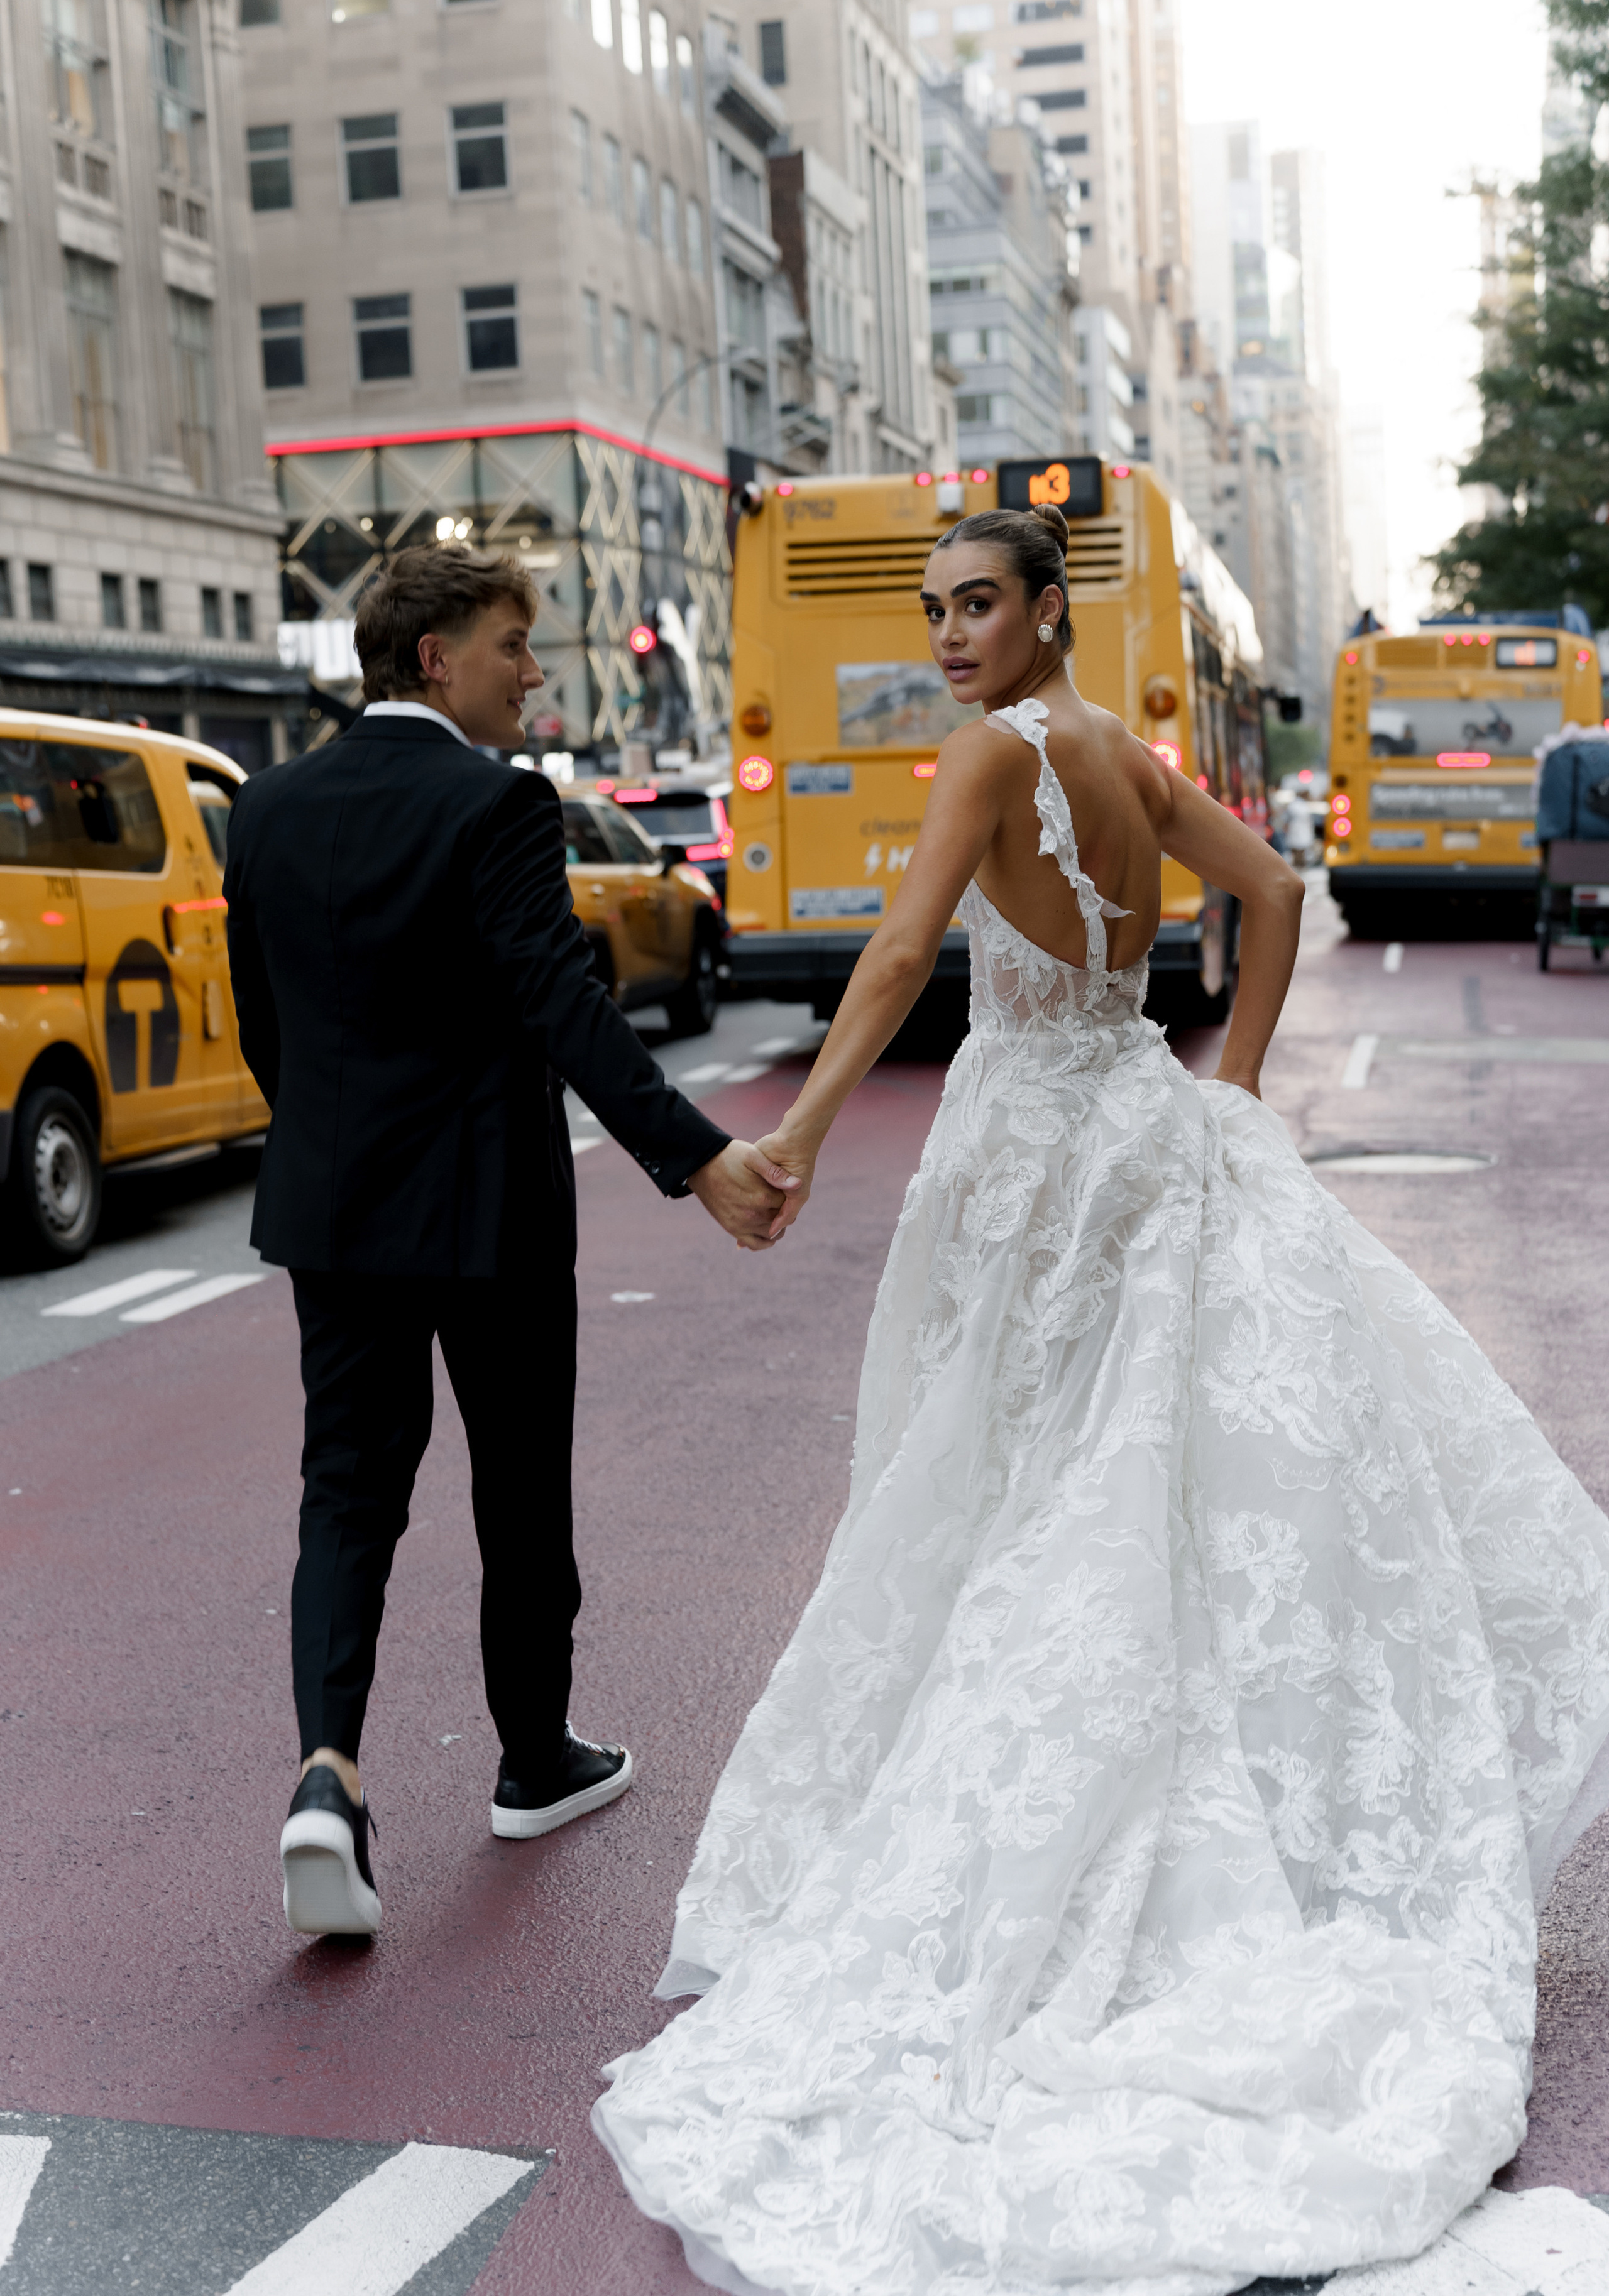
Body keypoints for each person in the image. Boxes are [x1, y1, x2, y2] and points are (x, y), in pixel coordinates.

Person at [593, 505, 1609, 2293]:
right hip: (1146, 1125)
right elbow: (1278, 893)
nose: (949, 637)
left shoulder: (993, 753)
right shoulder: (1127, 760)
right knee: (1126, 1480)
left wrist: (795, 1139)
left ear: (1052, 611)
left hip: (1032, 1156)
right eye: (934, 613)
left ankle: (1056, 1829)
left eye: (977, 605)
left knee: (1010, 1480)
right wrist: (1244, 1085)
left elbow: (903, 958)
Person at [224, 544, 794, 1939]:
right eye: (510, 645)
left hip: (334, 1206)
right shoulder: (497, 806)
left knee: (346, 1490)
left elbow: (265, 1024)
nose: (533, 672)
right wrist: (700, 1158)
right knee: (517, 1486)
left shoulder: (271, 809)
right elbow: (562, 1006)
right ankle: (532, 1761)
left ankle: (326, 1776)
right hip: (489, 1210)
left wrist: (324, 1146)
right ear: (434, 656)